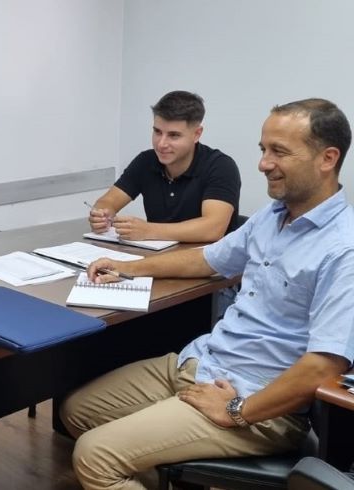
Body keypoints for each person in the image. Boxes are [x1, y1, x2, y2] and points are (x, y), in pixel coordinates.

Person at [61, 98, 354, 490]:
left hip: (255, 399)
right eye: (263, 149)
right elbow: (208, 259)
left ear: (327, 158)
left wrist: (238, 409)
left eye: (279, 152)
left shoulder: (343, 248)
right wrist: (129, 267)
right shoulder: (273, 216)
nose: (263, 163)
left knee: (94, 456)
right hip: (202, 361)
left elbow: (323, 367)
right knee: (76, 411)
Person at [89, 90, 241, 243]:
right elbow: (108, 201)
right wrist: (101, 215)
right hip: (156, 255)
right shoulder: (146, 161)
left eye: (173, 135)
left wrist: (148, 230)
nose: (161, 144)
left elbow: (213, 229)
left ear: (197, 134)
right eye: (157, 132)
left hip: (204, 256)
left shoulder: (220, 166)